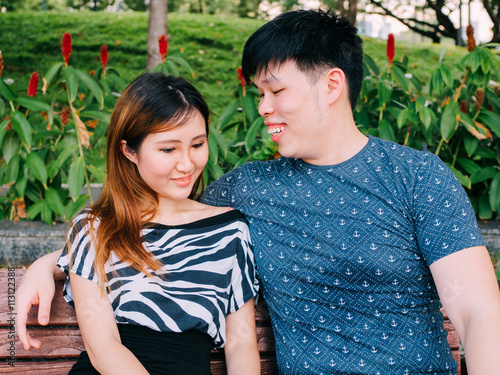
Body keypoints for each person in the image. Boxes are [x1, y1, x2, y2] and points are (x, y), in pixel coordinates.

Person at [16, 9, 500, 375]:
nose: (263, 108)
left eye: (275, 91)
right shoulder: (249, 188)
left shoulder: (416, 178)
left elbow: (477, 311)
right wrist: (51, 264)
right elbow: (153, 217)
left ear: (331, 85)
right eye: (258, 94)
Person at [17, 72, 260, 375]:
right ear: (129, 150)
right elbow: (103, 346)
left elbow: (241, 343)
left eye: (197, 144)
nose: (186, 164)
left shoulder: (229, 231)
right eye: (168, 149)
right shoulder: (95, 228)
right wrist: (42, 266)